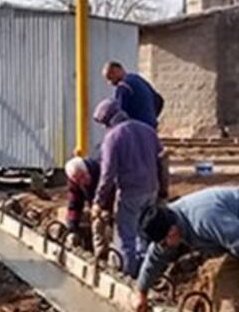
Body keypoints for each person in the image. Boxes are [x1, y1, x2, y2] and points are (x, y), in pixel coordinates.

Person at [91, 99, 166, 277]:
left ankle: (128, 275)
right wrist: (163, 190)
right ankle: (147, 274)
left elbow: (107, 174)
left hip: (130, 192)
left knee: (126, 236)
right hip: (152, 189)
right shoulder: (147, 130)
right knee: (144, 234)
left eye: (103, 124)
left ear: (108, 120)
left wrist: (98, 201)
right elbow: (162, 162)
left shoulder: (112, 138)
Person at [64, 156, 109, 254]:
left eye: (83, 177)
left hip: (113, 199)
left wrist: (100, 206)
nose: (82, 182)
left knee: (100, 221)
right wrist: (72, 228)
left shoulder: (101, 171)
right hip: (95, 203)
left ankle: (109, 257)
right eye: (78, 181)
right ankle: (99, 254)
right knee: (91, 220)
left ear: (87, 171)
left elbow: (110, 191)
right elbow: (74, 204)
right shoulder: (75, 181)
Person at [103, 61, 163, 129]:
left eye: (110, 78)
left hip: (136, 130)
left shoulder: (123, 86)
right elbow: (158, 100)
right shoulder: (138, 79)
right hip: (151, 128)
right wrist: (151, 118)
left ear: (117, 70)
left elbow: (119, 113)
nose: (110, 83)